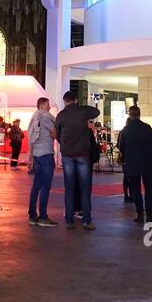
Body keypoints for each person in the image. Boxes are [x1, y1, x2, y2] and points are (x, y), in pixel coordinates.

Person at [54, 90, 99, 229]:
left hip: (67, 154)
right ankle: (86, 220)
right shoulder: (82, 111)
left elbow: (57, 133)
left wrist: (64, 144)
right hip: (82, 153)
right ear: (76, 100)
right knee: (85, 187)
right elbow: (96, 112)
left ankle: (69, 220)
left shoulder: (61, 115)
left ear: (64, 101)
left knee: (69, 187)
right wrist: (82, 107)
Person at [117, 106, 152, 227]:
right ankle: (150, 214)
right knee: (149, 190)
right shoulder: (147, 128)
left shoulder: (125, 130)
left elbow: (122, 148)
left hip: (132, 164)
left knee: (135, 190)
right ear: (140, 114)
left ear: (129, 115)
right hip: (147, 163)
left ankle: (140, 214)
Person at [27, 98, 57, 226]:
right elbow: (55, 134)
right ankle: (43, 216)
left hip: (36, 155)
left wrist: (30, 158)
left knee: (36, 186)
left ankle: (32, 215)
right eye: (48, 104)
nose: (49, 106)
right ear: (42, 105)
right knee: (45, 186)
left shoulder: (34, 118)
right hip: (46, 154)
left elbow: (31, 140)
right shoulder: (46, 118)